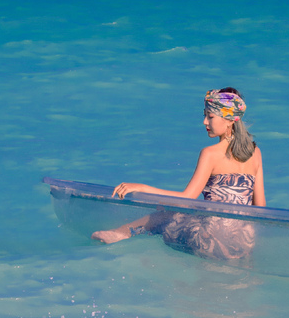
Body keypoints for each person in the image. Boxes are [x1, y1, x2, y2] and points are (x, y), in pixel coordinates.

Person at [91, 87, 265, 255]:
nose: (205, 122)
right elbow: (260, 208)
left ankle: (120, 234)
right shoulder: (255, 152)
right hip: (243, 244)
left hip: (212, 241)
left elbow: (186, 200)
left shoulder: (210, 154)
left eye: (210, 117)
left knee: (166, 214)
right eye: (204, 116)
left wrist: (142, 188)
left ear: (229, 120)